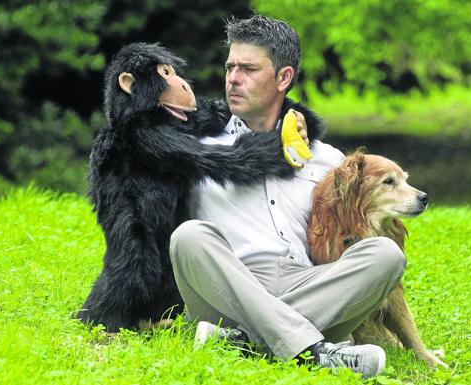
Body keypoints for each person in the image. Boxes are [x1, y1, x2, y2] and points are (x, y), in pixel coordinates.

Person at [168, 15, 406, 379]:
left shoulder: (326, 159)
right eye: (230, 66)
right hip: (226, 286)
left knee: (385, 254)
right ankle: (316, 350)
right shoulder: (198, 148)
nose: (233, 78)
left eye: (248, 68)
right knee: (189, 237)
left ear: (284, 78)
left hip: (307, 282)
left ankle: (244, 342)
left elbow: (352, 229)